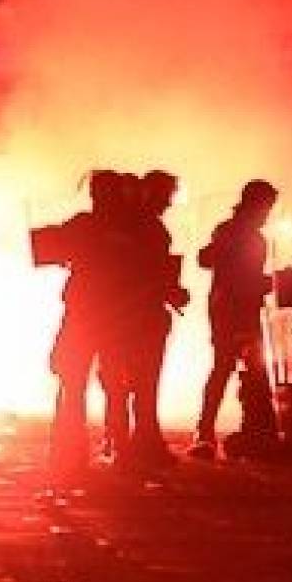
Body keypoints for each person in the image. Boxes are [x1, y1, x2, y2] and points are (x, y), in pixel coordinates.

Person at [45, 171, 139, 475]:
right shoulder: (127, 228)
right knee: (112, 385)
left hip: (87, 316)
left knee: (78, 383)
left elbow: (53, 248)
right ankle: (115, 446)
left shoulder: (84, 224)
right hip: (110, 316)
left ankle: (72, 452)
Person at [190, 180, 280, 460]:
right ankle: (208, 431)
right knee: (229, 368)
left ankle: (249, 430)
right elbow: (208, 260)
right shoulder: (235, 233)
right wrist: (270, 283)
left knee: (240, 369)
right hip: (230, 311)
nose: (267, 214)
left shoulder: (243, 234)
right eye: (266, 208)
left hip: (239, 309)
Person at [112, 170, 186, 467]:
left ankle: (131, 442)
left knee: (131, 383)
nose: (168, 202)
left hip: (132, 314)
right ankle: (139, 443)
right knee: (140, 382)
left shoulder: (132, 225)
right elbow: (146, 272)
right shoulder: (147, 229)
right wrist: (171, 290)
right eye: (165, 195)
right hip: (140, 315)